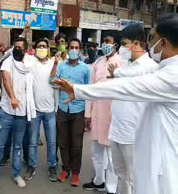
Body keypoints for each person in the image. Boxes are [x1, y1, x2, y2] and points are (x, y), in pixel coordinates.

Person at [53, 13, 178, 194]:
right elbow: (126, 80)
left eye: (152, 38)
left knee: (135, 179)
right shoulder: (161, 69)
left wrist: (78, 90)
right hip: (131, 136)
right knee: (121, 173)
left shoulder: (172, 75)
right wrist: (118, 75)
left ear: (164, 43)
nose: (150, 44)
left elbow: (127, 87)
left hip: (157, 160)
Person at [107, 24, 158, 194]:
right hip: (117, 130)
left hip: (134, 134)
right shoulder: (125, 66)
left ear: (136, 44)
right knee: (121, 174)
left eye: (124, 43)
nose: (122, 48)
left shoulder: (150, 68)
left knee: (135, 177)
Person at [0, 37, 36, 189]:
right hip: (7, 112)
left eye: (20, 47)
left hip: (22, 114)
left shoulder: (30, 63)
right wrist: (12, 97)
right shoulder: (9, 61)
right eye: (15, 46)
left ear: (26, 50)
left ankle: (16, 175)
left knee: (17, 147)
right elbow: (6, 78)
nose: (17, 50)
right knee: (0, 146)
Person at [50, 38, 91, 187]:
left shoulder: (86, 69)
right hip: (62, 109)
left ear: (79, 50)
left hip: (78, 110)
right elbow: (52, 81)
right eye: (71, 47)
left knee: (77, 144)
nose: (73, 50)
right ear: (67, 50)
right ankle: (65, 169)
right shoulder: (61, 66)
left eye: (76, 47)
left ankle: (75, 173)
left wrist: (88, 113)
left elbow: (89, 91)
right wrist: (55, 65)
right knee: (62, 142)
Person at [82, 36, 121, 194]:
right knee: (96, 151)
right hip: (97, 113)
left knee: (112, 155)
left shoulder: (122, 62)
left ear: (116, 44)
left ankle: (111, 189)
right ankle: (99, 180)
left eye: (109, 41)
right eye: (104, 41)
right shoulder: (98, 62)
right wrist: (87, 113)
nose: (106, 44)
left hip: (113, 114)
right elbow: (91, 88)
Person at [23, 38, 57, 182]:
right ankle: (31, 166)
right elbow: (20, 50)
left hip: (50, 110)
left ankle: (52, 166)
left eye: (44, 46)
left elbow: (55, 81)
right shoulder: (31, 63)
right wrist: (25, 33)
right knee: (32, 141)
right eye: (39, 46)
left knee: (51, 142)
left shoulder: (53, 64)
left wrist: (56, 64)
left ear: (48, 49)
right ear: (35, 49)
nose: (41, 48)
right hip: (35, 110)